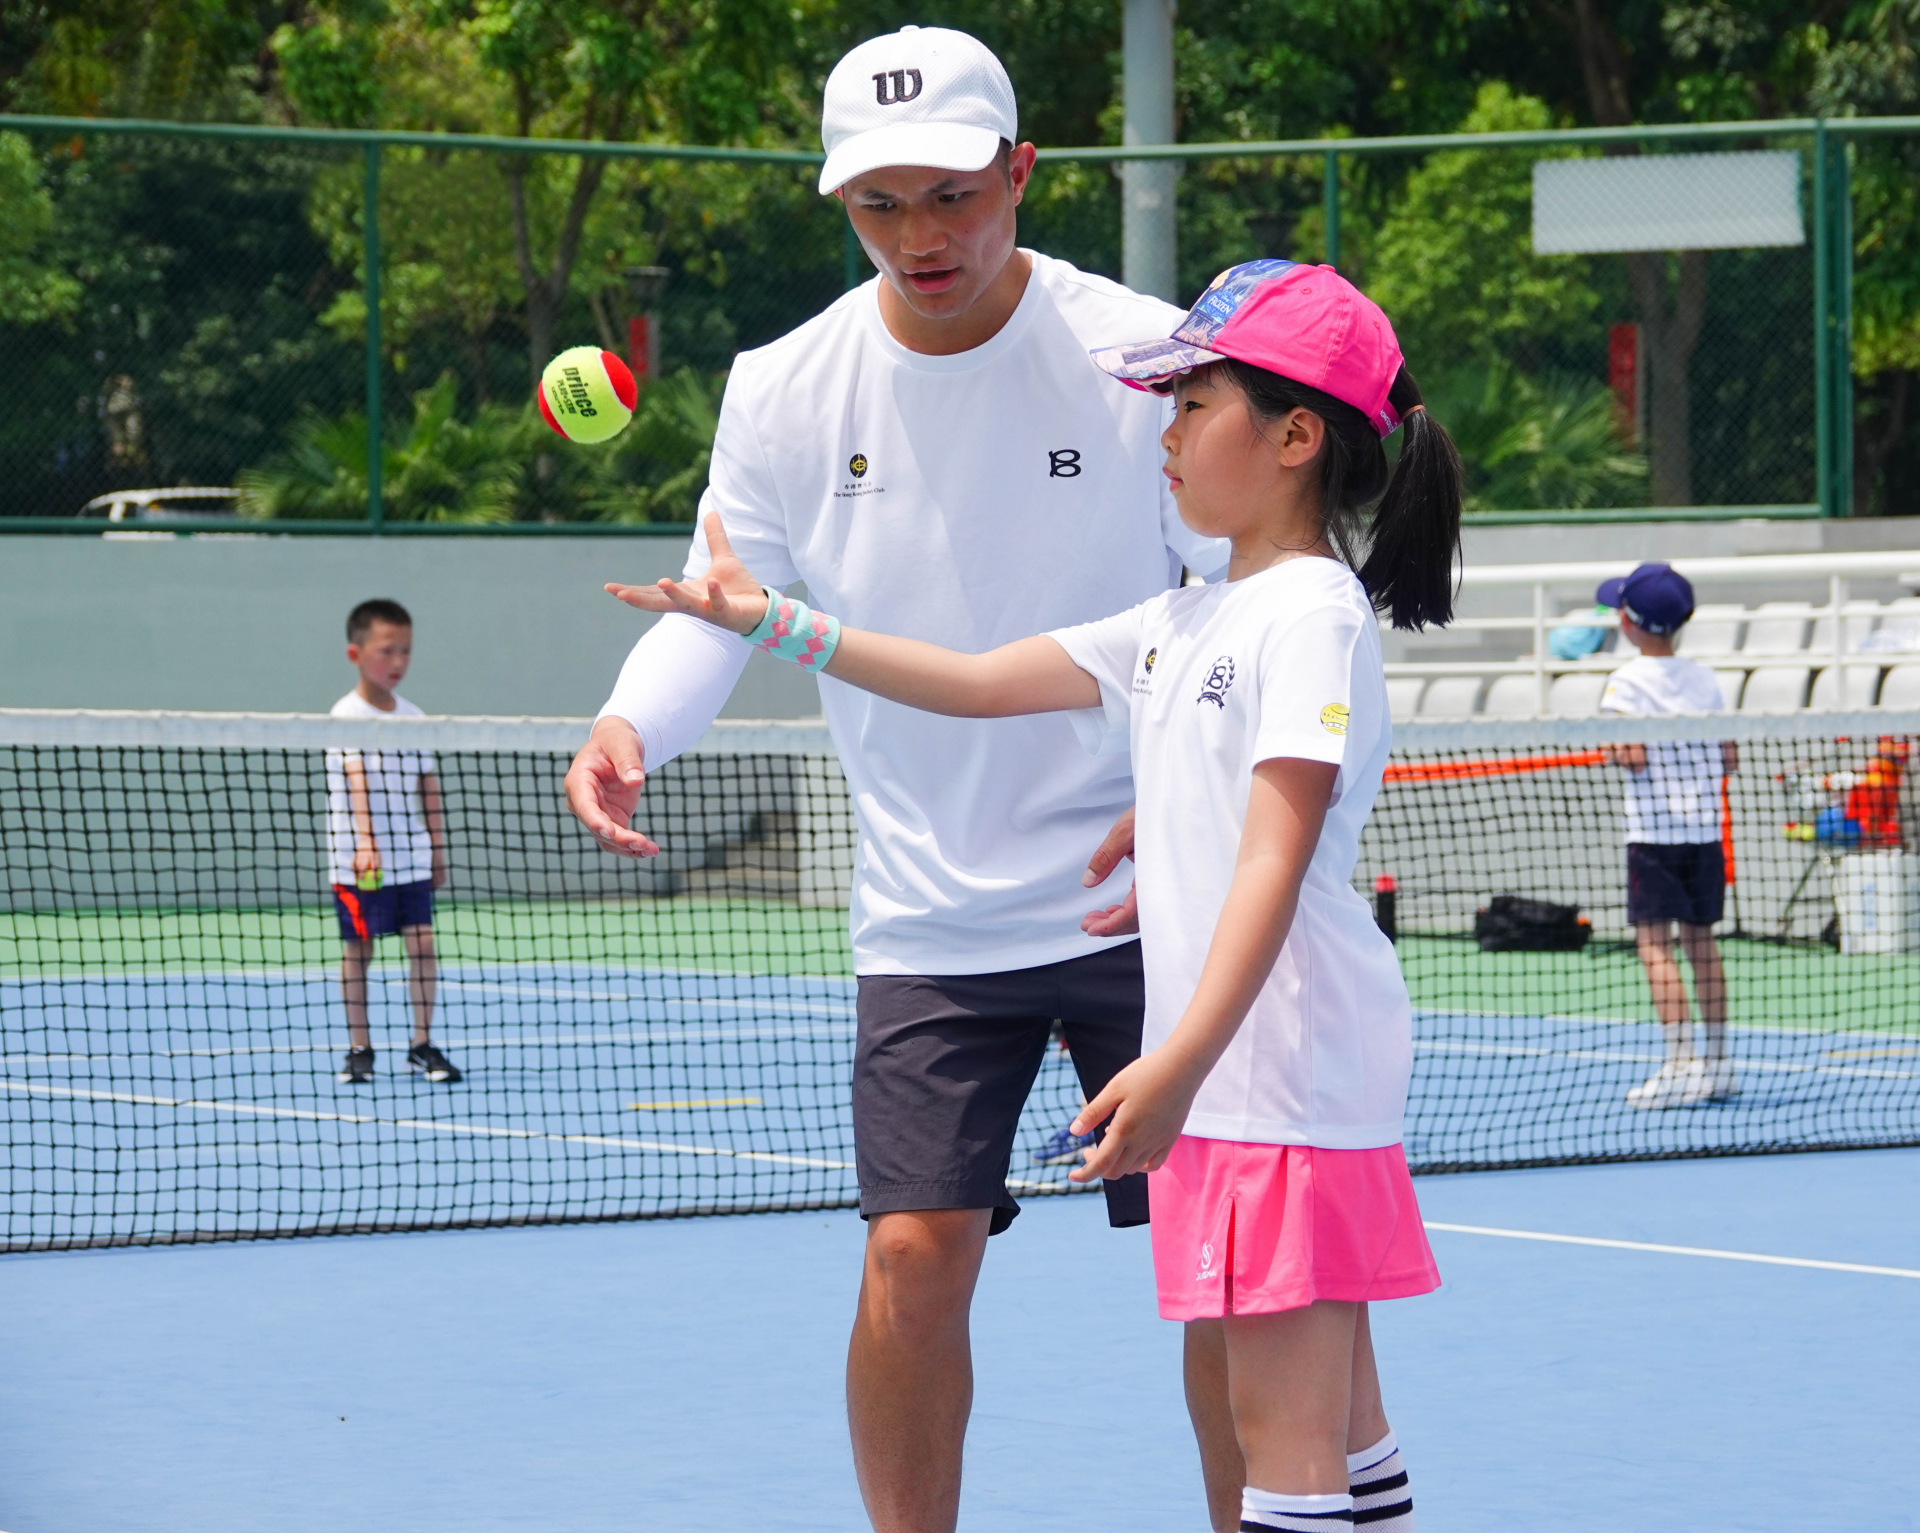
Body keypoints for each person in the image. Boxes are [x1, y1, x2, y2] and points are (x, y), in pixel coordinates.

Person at [609, 257, 1460, 1533]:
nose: (1160, 433)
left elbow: (1276, 865)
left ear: (1292, 436)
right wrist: (775, 622)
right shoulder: (1189, 619)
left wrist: (1174, 1063)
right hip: (1241, 1079)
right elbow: (972, 679)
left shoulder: (1308, 616)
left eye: (1190, 407)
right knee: (1340, 1428)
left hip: (1278, 1074)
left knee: (1285, 1444)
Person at [566, 26, 1234, 1532]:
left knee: (1219, 1261)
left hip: (1150, 897)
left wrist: (1191, 772)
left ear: (1022, 172)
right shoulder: (782, 385)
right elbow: (723, 599)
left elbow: (1235, 588)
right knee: (911, 1261)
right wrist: (630, 726)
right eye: (881, 203)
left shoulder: (1149, 354)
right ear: (839, 203)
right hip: (929, 915)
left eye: (952, 192)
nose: (922, 235)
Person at [1596, 564, 1738, 1109]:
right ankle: (1719, 1065)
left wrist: (1612, 745)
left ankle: (1680, 1065)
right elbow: (1730, 754)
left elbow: (1631, 756)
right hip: (1704, 833)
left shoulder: (1626, 683)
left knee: (1655, 945)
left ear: (1630, 624)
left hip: (1654, 835)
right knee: (1702, 943)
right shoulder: (1705, 678)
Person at [328, 598, 459, 1086]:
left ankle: (421, 1045)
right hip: (357, 862)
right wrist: (366, 842)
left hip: (410, 858)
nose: (398, 662)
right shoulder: (345, 715)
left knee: (423, 944)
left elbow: (427, 784)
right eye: (386, 651)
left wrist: (437, 848)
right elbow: (356, 778)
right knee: (358, 949)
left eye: (405, 650)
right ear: (355, 654)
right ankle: (359, 1048)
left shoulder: (414, 716)